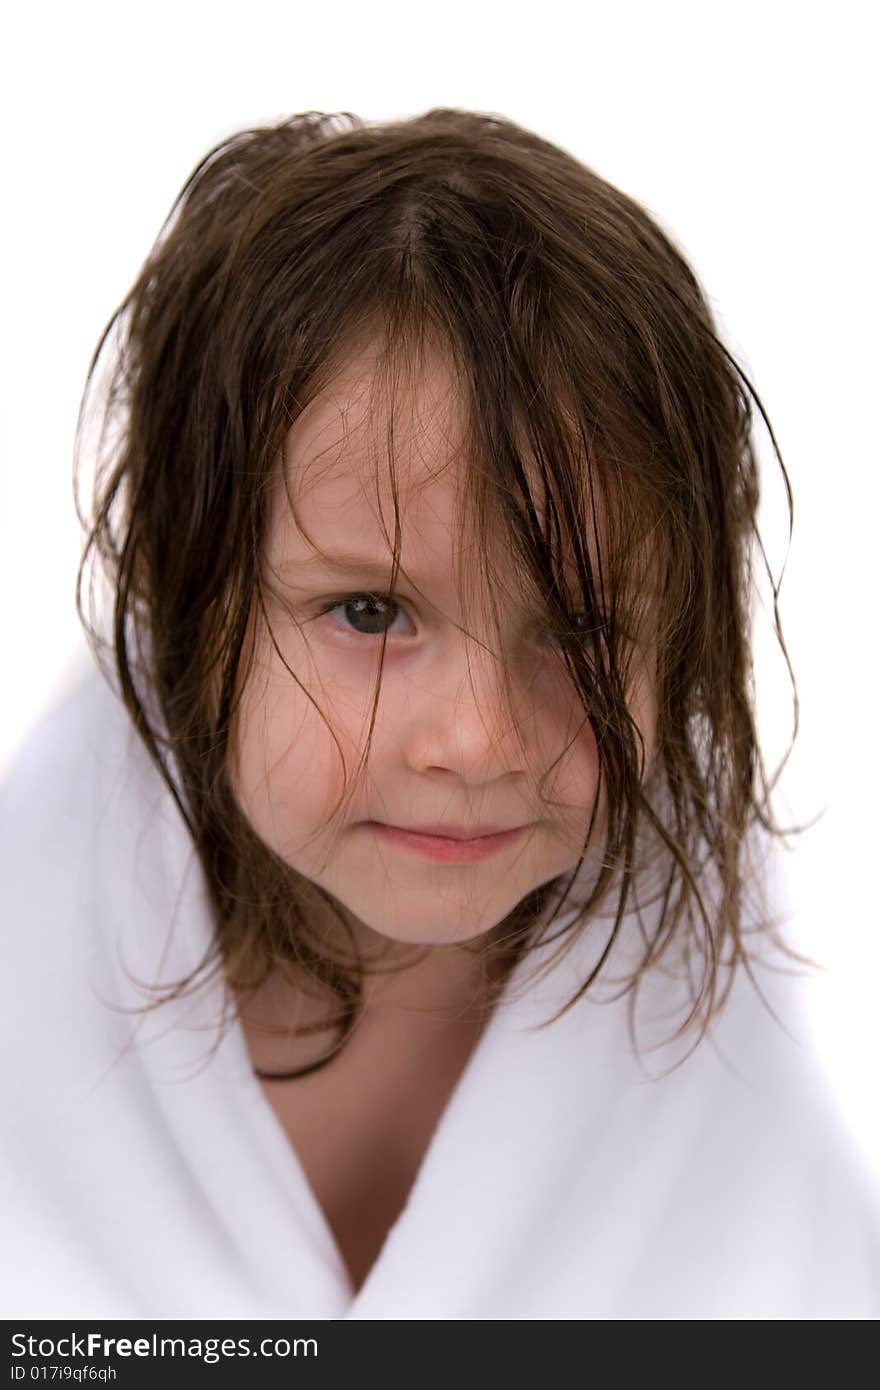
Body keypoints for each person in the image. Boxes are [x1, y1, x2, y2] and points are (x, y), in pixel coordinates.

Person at [2, 108, 877, 1320]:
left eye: (577, 629)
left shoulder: (710, 1027)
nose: (481, 739)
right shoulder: (30, 961)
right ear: (190, 594)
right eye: (368, 612)